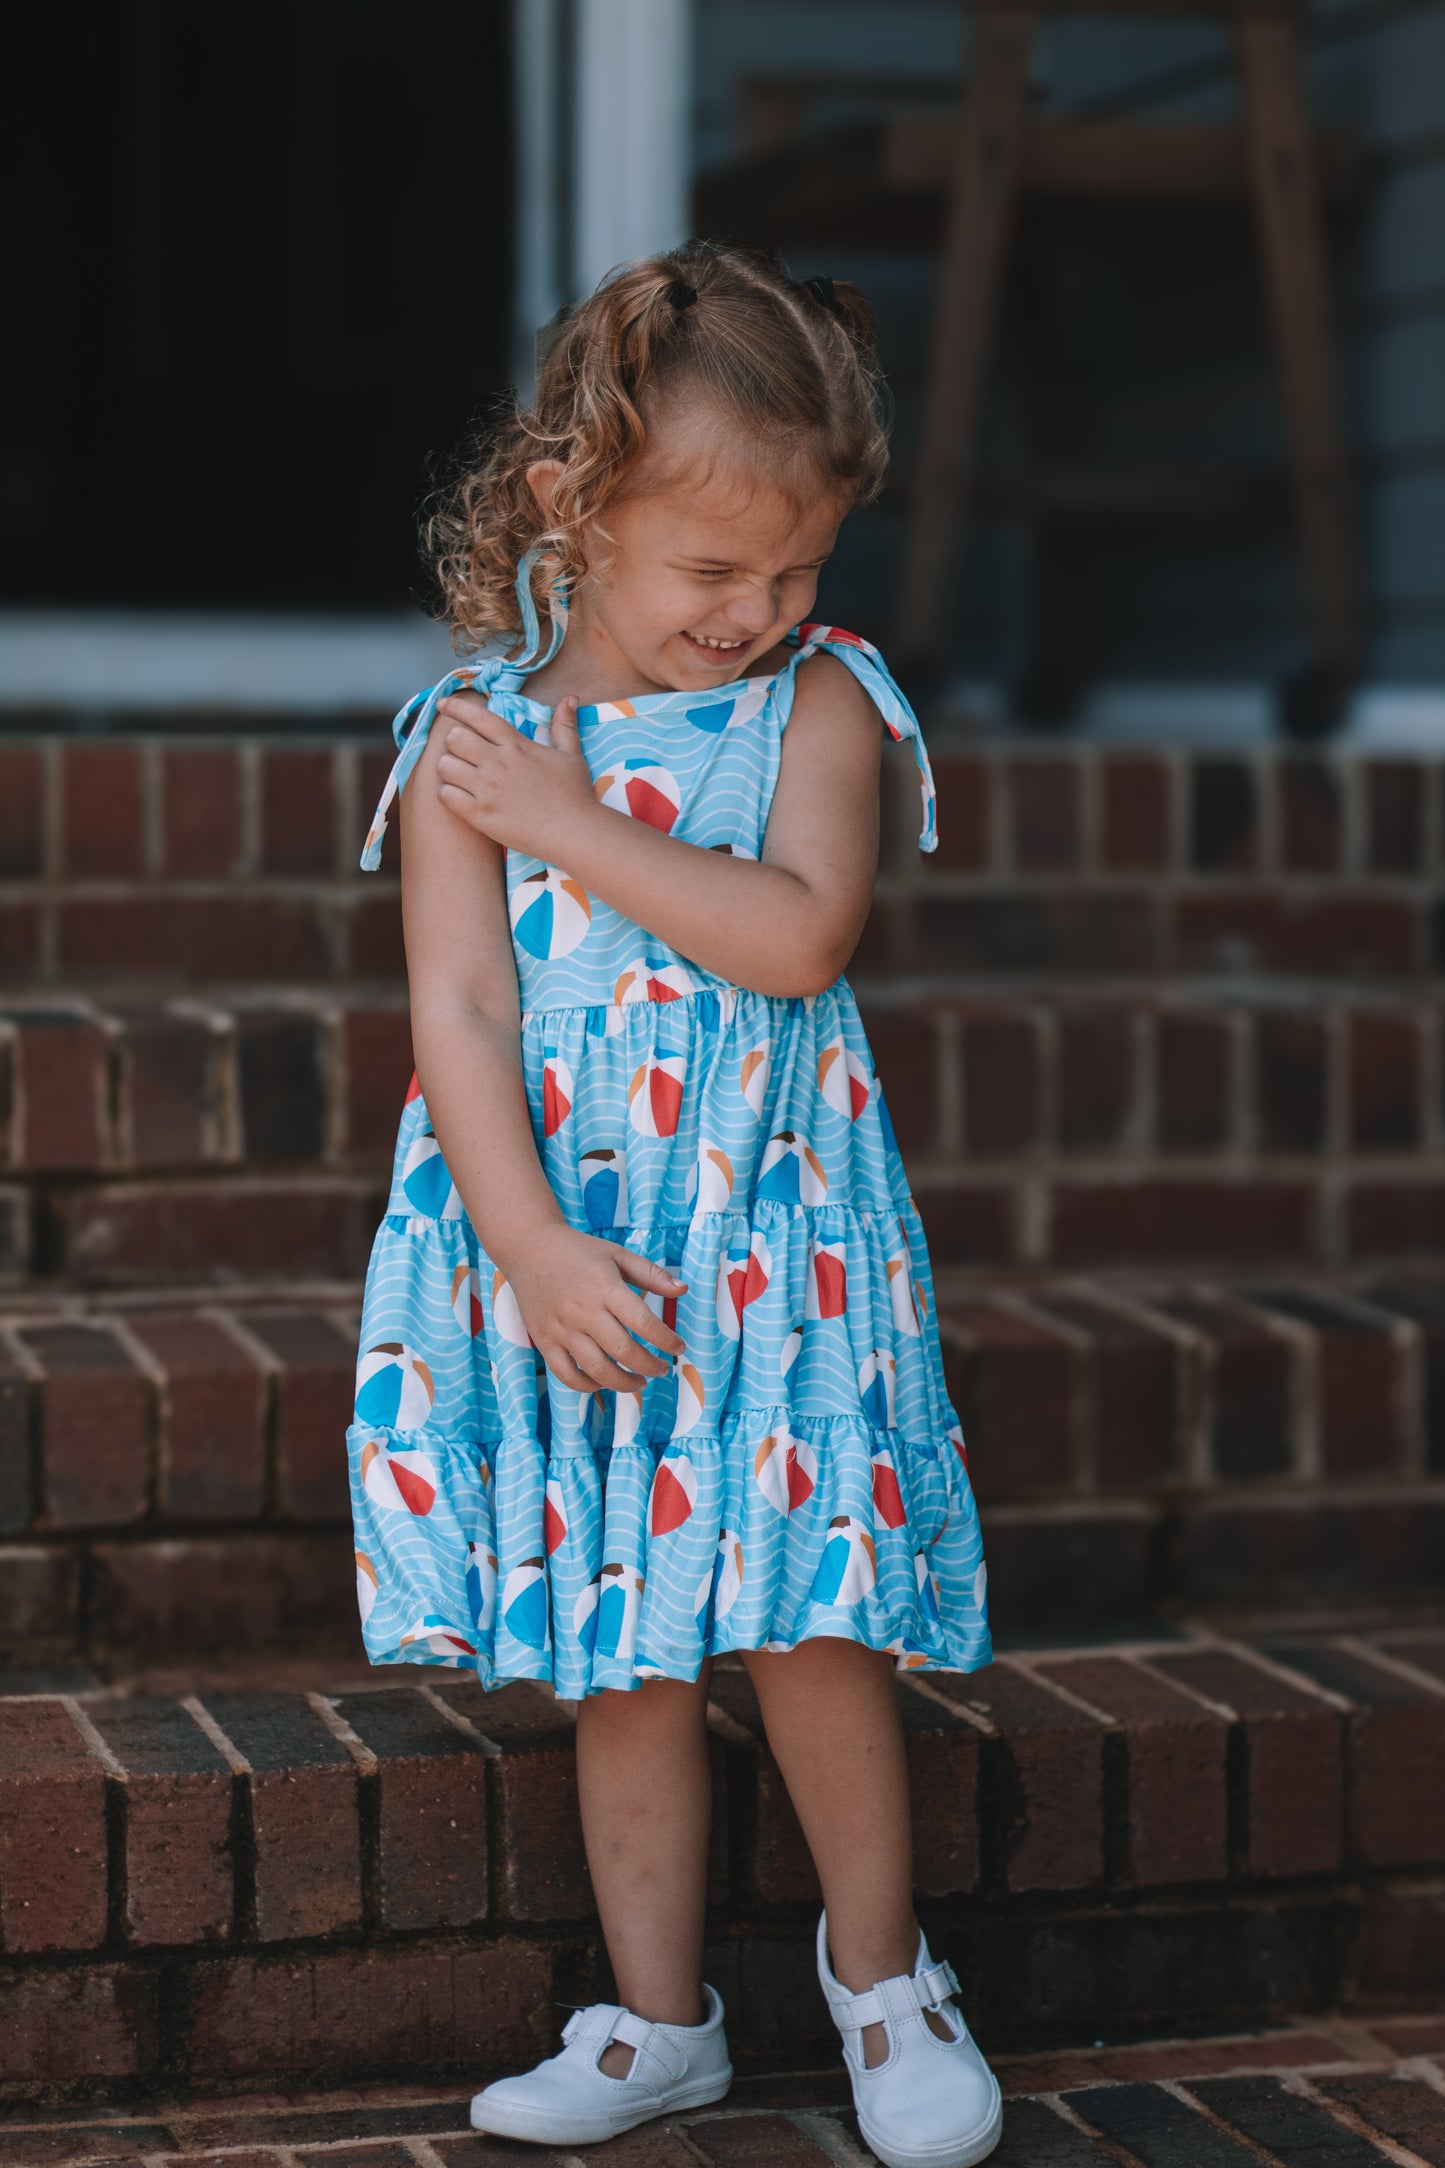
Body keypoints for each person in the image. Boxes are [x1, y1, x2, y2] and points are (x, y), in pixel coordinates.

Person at [350, 240, 1000, 2168]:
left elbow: (798, 936)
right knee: (618, 1653)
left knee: (810, 1621)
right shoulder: (469, 737)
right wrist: (529, 1247)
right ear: (571, 506)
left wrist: (572, 821)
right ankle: (656, 2025)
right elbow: (455, 1007)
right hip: (579, 1253)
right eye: (711, 571)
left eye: (794, 570)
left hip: (773, 1258)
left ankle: (884, 1989)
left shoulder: (815, 709)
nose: (755, 611)